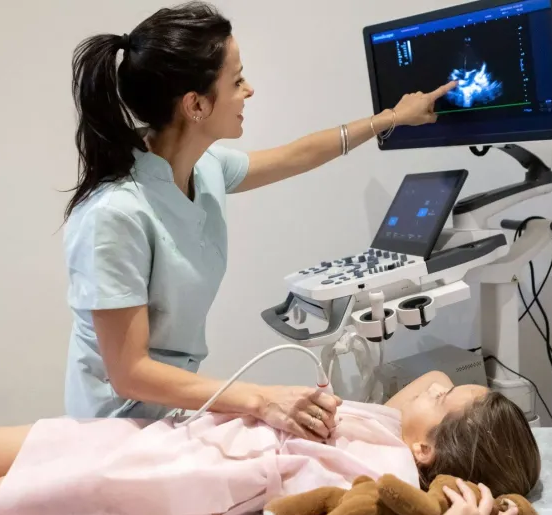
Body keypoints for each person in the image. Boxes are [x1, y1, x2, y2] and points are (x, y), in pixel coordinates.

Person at [59, 0, 459, 439]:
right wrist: (262, 399)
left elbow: (296, 156)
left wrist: (393, 118)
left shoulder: (203, 169)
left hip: (176, 413)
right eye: (237, 80)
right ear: (195, 104)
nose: (249, 90)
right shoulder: (114, 215)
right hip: (115, 430)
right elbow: (130, 374)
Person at [0, 373, 539, 515]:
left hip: (159, 479)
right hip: (154, 440)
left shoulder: (381, 468)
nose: (431, 379)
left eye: (442, 395)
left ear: (427, 447)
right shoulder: (366, 417)